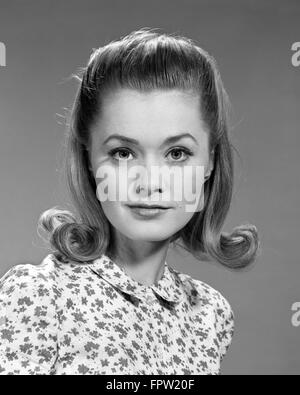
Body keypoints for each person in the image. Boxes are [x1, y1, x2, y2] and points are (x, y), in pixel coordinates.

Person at [0, 28, 260, 375]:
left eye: (177, 153)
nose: (150, 182)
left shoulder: (210, 314)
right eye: (122, 152)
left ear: (210, 162)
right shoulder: (38, 296)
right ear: (88, 159)